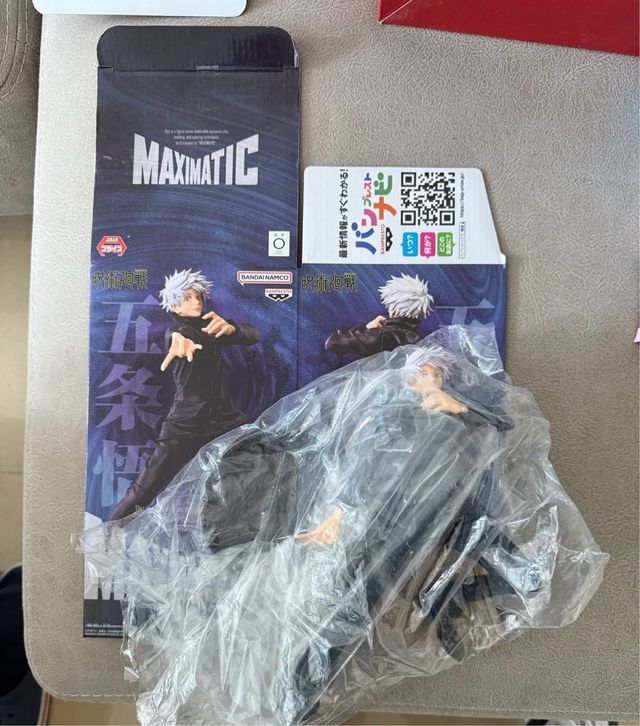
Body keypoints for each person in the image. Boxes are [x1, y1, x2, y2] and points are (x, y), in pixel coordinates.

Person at [108, 268, 259, 521]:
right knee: (145, 488)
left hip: (223, 420)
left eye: (198, 297)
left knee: (259, 461)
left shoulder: (211, 330)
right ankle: (109, 532)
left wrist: (232, 329)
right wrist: (180, 341)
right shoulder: (179, 332)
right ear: (175, 305)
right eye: (188, 297)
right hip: (186, 424)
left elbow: (253, 334)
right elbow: (176, 336)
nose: (196, 302)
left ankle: (229, 529)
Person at [324, 273, 433, 356]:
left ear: (393, 310)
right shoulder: (422, 338)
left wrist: (365, 328)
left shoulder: (379, 335)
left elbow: (332, 343)